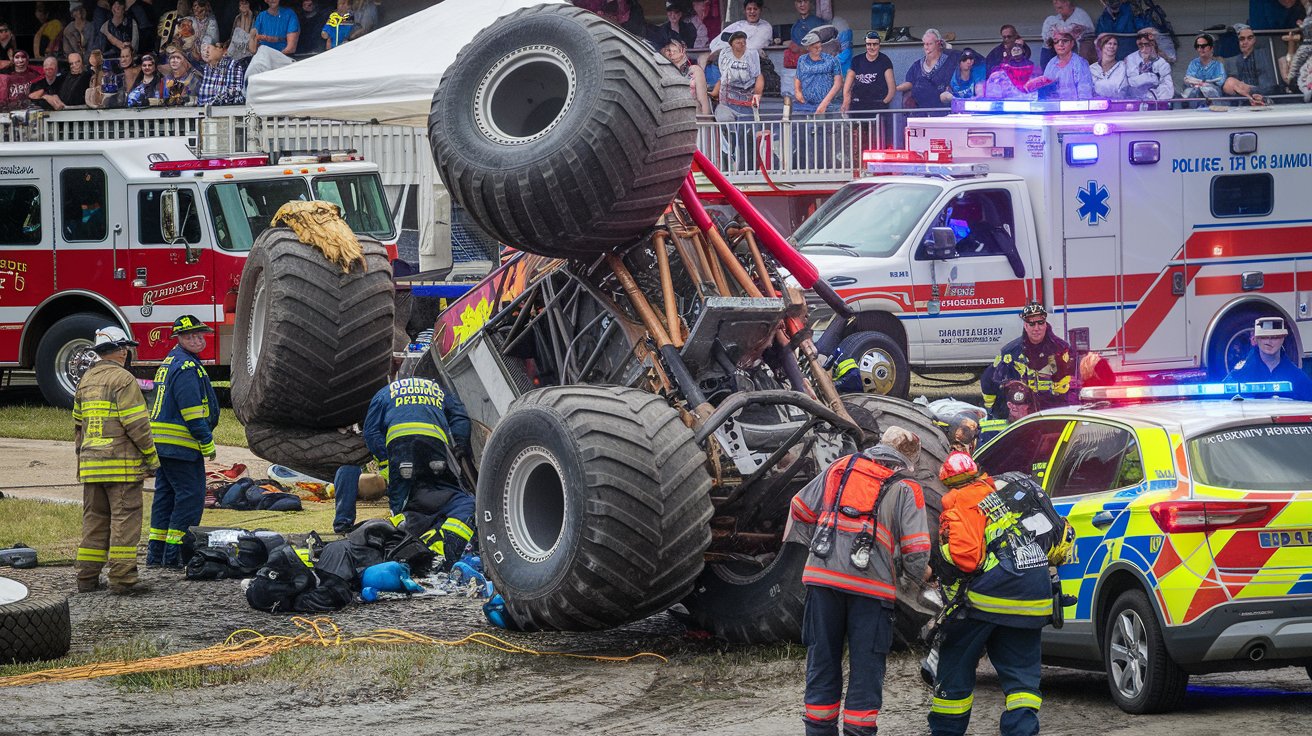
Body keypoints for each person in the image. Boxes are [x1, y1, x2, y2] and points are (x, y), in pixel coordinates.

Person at [788, 431, 930, 736]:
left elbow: (800, 507)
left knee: (822, 661)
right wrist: (909, 581)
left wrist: (816, 553)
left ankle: (818, 731)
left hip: (822, 582)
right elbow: (917, 552)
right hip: (871, 591)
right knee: (866, 669)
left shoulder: (841, 467)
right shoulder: (906, 487)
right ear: (910, 459)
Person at [927, 453, 1073, 736]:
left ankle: (946, 731)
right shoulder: (1003, 493)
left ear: (947, 482)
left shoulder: (959, 500)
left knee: (955, 662)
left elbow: (965, 558)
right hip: (1034, 598)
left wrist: (937, 560)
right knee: (1022, 680)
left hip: (989, 598)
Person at [73, 325, 158, 595]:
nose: (128, 353)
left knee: (94, 520)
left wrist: (83, 458)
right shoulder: (123, 380)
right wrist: (151, 458)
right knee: (125, 520)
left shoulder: (85, 381)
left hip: (91, 466)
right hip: (120, 467)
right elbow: (136, 425)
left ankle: (86, 578)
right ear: (120, 351)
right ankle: (122, 579)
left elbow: (78, 427)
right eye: (126, 349)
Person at [360, 377, 475, 569]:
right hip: (435, 445)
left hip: (400, 445)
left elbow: (371, 431)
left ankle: (402, 543)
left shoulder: (386, 392)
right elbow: (460, 417)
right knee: (446, 490)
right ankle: (445, 542)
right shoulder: (438, 389)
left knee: (401, 498)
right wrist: (459, 445)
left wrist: (386, 461)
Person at [147, 314, 220, 568]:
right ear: (179, 338)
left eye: (200, 335)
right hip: (182, 445)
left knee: (165, 497)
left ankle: (155, 555)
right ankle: (176, 555)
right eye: (191, 336)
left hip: (163, 445)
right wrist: (206, 440)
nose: (198, 339)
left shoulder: (171, 361)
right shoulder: (187, 367)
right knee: (190, 498)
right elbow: (192, 411)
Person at [981, 301, 1074, 421]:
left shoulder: (1061, 349)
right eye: (1031, 324)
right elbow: (989, 380)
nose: (1037, 328)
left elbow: (1073, 384)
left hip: (1054, 412)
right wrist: (992, 410)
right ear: (1025, 325)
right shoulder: (1010, 352)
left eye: (1040, 323)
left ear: (1046, 324)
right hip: (1022, 414)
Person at [1223, 316, 1312, 401]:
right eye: (1264, 337)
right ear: (1255, 339)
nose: (1269, 342)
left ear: (1283, 338)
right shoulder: (1239, 375)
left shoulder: (1297, 377)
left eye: (1274, 337)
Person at [897, 28, 958, 110]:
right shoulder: (917, 65)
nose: (926, 47)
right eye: (925, 44)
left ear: (938, 43)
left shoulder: (950, 62)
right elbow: (910, 83)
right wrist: (895, 88)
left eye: (929, 44)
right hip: (920, 112)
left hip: (943, 111)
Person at [1224, 23, 1280, 105]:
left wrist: (1248, 88)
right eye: (1242, 39)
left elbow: (1268, 86)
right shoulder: (1237, 59)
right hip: (1242, 100)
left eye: (1249, 38)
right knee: (1229, 82)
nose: (1245, 42)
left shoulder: (1260, 55)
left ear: (1254, 40)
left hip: (1263, 95)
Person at [842, 31, 894, 113]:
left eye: (875, 44)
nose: (872, 47)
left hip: (878, 105)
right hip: (858, 105)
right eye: (869, 44)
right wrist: (846, 101)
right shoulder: (856, 60)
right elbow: (848, 84)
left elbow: (892, 88)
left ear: (879, 44)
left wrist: (884, 102)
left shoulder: (885, 60)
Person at [1035, 25, 1094, 98]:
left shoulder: (1080, 63)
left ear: (1072, 43)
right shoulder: (1051, 63)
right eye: (1056, 41)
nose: (1060, 44)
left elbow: (1085, 93)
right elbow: (1046, 90)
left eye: (1065, 40)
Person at [661, 37, 711, 114]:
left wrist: (705, 121)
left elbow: (703, 101)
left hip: (693, 113)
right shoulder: (662, 71)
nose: (671, 53)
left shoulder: (695, 70)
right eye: (668, 50)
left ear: (683, 51)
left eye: (675, 50)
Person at [1124, 27, 1173, 102]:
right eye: (1141, 44)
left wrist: (1157, 101)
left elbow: (1167, 88)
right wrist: (1152, 77)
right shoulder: (1131, 59)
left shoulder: (1162, 63)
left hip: (1155, 103)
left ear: (1154, 45)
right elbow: (1131, 82)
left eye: (1147, 45)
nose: (1144, 48)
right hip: (1134, 102)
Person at [1040, 0, 1094, 66]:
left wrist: (1060, 32)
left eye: (1060, 7)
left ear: (1067, 2)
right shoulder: (1054, 19)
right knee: (1047, 46)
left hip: (1078, 46)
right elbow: (1047, 39)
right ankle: (1047, 72)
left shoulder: (1081, 16)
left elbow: (1080, 35)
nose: (1055, 2)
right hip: (1062, 47)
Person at [195, 39, 244, 105]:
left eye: (208, 48)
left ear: (220, 49)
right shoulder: (206, 68)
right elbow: (201, 98)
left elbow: (235, 95)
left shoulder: (232, 65)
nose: (205, 52)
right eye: (203, 49)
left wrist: (212, 103)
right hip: (203, 113)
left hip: (224, 112)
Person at [1182, 33, 1225, 103]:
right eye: (1197, 46)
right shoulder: (1193, 63)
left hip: (1212, 94)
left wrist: (1204, 84)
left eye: (1203, 46)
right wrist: (1197, 84)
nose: (1200, 49)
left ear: (1211, 47)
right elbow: (1188, 79)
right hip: (1195, 90)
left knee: (1208, 90)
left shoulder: (1218, 65)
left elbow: (1220, 81)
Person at [1090, 32, 1127, 97]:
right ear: (1101, 46)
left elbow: (1123, 89)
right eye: (1109, 43)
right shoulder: (1092, 68)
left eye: (1115, 44)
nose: (1112, 46)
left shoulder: (1123, 66)